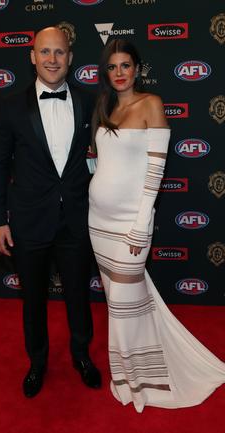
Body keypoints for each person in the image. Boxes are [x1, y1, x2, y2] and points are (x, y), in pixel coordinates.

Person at [89, 38, 225, 413]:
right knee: (121, 303)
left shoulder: (151, 104)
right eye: (112, 67)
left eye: (125, 66)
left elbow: (155, 172)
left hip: (131, 223)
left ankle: (140, 382)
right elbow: (103, 164)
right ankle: (129, 374)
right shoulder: (106, 107)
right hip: (97, 222)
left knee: (122, 304)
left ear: (137, 68)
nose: (119, 73)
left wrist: (141, 222)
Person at [0, 26, 101, 398]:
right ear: (32, 56)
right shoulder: (9, 107)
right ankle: (37, 362)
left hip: (75, 221)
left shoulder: (89, 101)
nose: (52, 59)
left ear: (70, 58)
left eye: (60, 52)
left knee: (78, 297)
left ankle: (82, 356)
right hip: (28, 221)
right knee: (33, 299)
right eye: (45, 52)